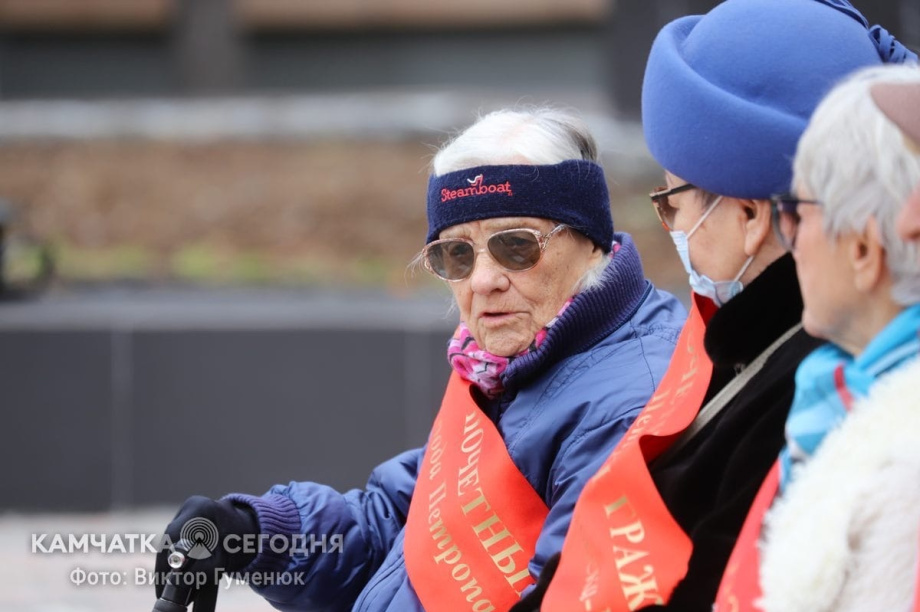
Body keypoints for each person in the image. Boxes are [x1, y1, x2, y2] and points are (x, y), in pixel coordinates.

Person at [152, 108, 687, 611]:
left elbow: (569, 592)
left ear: (589, 241)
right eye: (455, 254)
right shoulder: (513, 362)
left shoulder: (628, 404)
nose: (482, 280)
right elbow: (400, 523)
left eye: (516, 247)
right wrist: (252, 531)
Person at [511, 1, 916, 611]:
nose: (669, 225)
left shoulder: (815, 376)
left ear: (752, 218)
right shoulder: (764, 347)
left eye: (671, 202)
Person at [713, 64, 920, 612]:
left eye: (795, 212)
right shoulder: (837, 390)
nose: (790, 240)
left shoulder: (905, 482)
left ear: (863, 251)